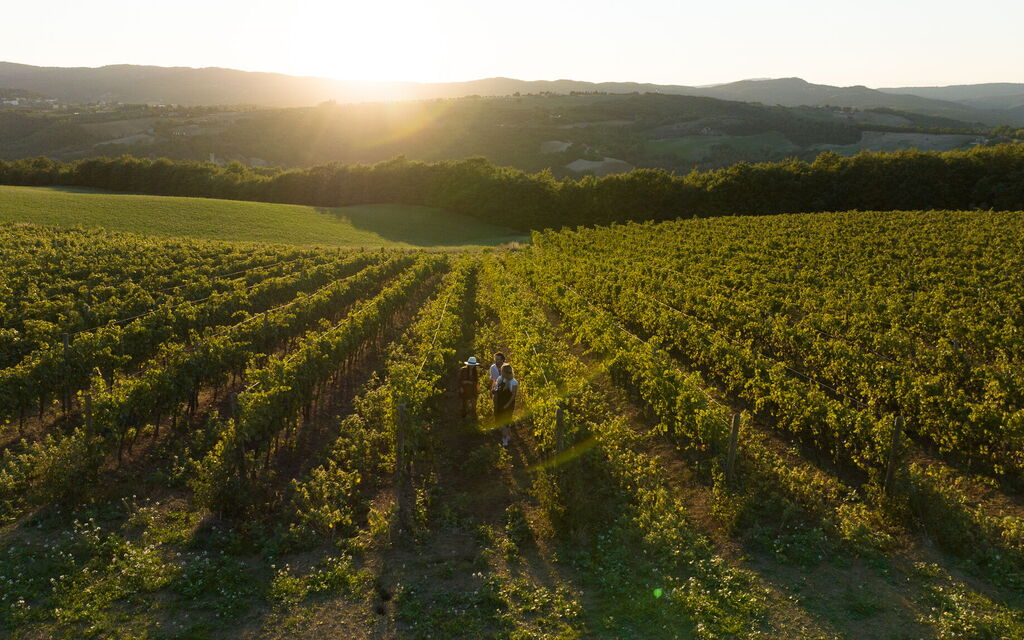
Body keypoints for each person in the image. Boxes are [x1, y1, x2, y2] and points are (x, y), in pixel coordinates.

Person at [492, 363, 518, 447]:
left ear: (506, 372)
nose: (501, 372)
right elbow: (496, 387)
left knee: (505, 422)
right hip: (500, 402)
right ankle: (508, 436)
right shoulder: (500, 379)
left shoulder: (513, 382)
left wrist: (507, 405)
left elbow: (513, 396)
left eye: (502, 371)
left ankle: (505, 439)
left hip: (508, 404)